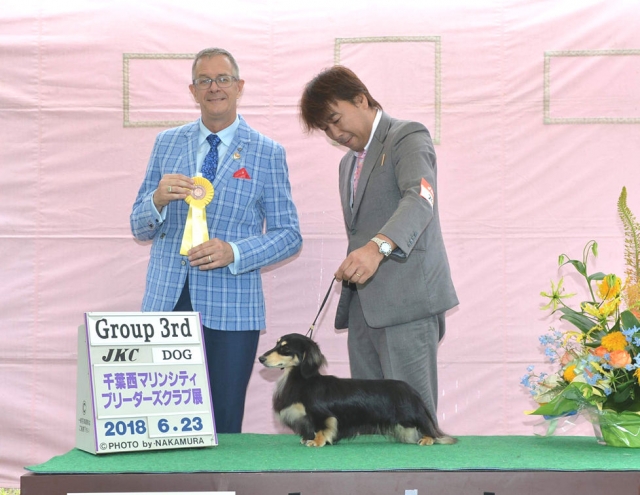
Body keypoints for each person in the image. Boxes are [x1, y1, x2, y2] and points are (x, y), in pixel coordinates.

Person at [130, 47, 302, 433]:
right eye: (204, 80)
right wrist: (157, 200)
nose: (214, 87)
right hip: (166, 302)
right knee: (161, 420)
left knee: (223, 423)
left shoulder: (267, 152)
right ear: (192, 91)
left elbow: (289, 235)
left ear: (239, 87)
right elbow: (139, 226)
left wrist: (234, 251)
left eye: (223, 79)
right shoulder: (166, 143)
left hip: (233, 309)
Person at [299, 66, 458, 424]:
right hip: (363, 308)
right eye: (325, 129)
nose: (335, 133)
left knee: (414, 425)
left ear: (361, 99)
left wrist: (376, 249)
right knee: (368, 425)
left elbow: (420, 199)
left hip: (408, 304)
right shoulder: (346, 164)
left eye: (335, 120)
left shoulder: (407, 136)